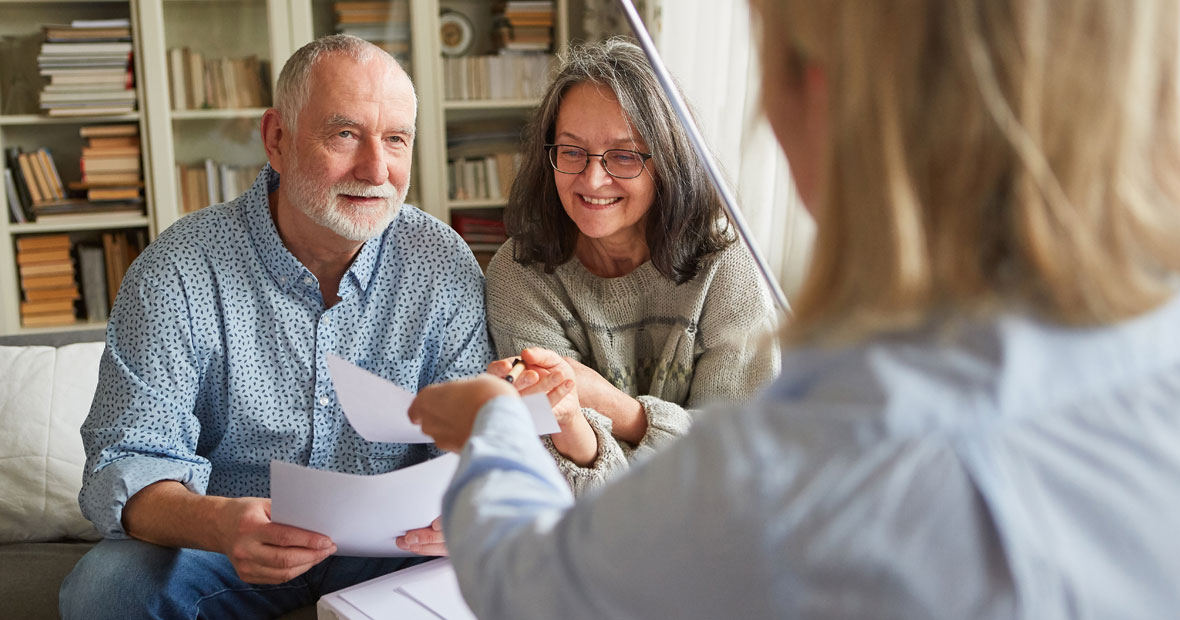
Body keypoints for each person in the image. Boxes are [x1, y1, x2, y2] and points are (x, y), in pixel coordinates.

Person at [408, 0, 1180, 618]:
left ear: (820, 90)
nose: (592, 177)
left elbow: (528, 586)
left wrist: (494, 428)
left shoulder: (798, 469)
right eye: (571, 151)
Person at [59, 35, 491, 619]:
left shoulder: (441, 260)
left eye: (395, 140)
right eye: (344, 134)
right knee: (106, 590)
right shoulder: (177, 269)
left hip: (398, 545)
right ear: (277, 140)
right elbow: (128, 459)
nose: (375, 169)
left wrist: (466, 503)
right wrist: (216, 523)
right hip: (226, 543)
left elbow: (474, 435)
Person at [485, 38, 780, 494]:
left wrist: (616, 408)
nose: (592, 179)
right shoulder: (520, 272)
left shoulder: (725, 264)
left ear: (667, 162)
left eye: (624, 156)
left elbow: (744, 456)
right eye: (571, 151)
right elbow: (564, 483)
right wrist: (568, 418)